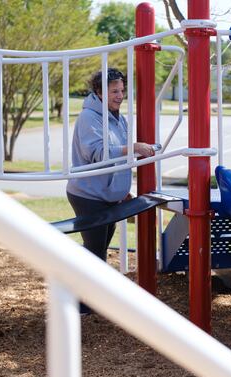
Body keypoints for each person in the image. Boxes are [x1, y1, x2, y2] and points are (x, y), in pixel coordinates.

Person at [66, 68, 155, 314]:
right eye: (114, 90)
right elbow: (97, 153)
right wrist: (134, 147)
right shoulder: (89, 117)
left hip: (106, 195)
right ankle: (82, 303)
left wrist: (119, 190)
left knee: (100, 246)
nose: (120, 95)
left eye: (122, 90)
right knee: (94, 248)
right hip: (87, 194)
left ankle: (89, 296)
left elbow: (118, 159)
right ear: (99, 92)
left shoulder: (117, 117)